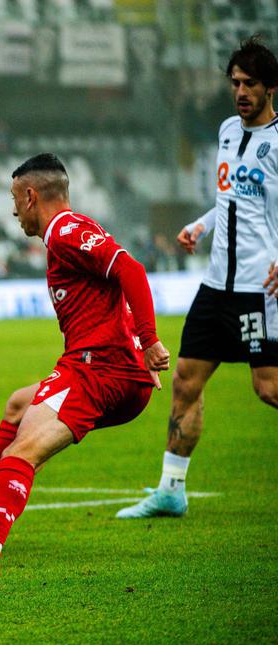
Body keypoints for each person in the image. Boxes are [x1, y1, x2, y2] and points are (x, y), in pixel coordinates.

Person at [0, 154, 170, 569]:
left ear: (31, 195)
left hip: (97, 370)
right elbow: (113, 284)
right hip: (106, 368)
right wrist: (135, 348)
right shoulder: (68, 234)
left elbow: (132, 270)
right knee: (19, 404)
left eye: (16, 199)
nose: (15, 211)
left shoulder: (67, 231)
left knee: (22, 452)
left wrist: (149, 342)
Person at [117, 36, 278, 520]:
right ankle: (171, 489)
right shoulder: (228, 130)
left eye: (250, 84)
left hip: (257, 289)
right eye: (235, 83)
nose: (241, 92)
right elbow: (231, 199)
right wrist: (201, 225)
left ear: (271, 87)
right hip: (215, 288)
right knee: (186, 380)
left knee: (268, 388)